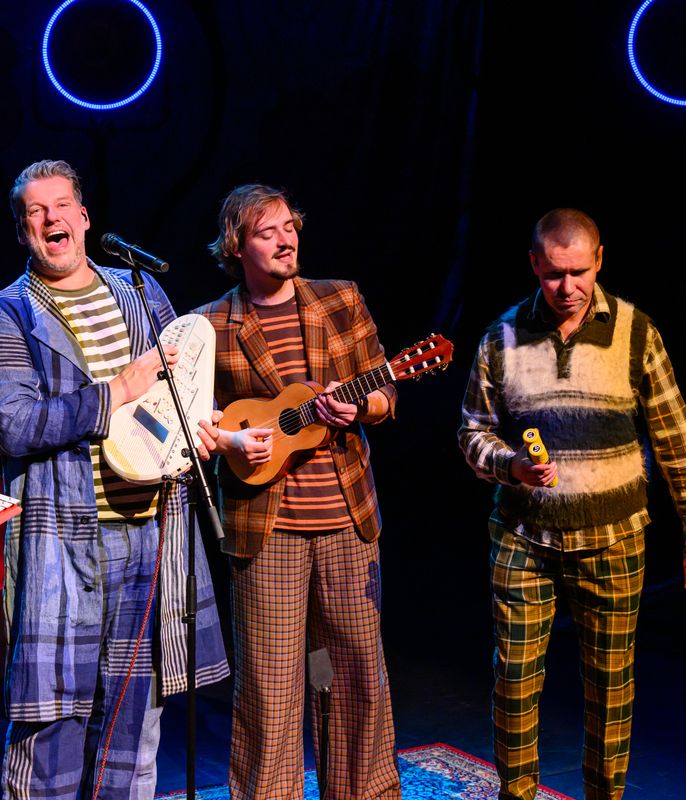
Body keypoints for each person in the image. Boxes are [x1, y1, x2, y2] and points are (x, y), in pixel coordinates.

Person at [0, 159, 229, 799]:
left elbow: (179, 393)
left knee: (134, 728)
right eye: (35, 211)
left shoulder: (140, 293)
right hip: (64, 542)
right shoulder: (5, 314)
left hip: (154, 534)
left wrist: (200, 429)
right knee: (50, 725)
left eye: (62, 205)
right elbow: (15, 425)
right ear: (22, 230)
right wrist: (117, 389)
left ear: (84, 218)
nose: (51, 218)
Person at [458, 208, 686, 800]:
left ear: (599, 260)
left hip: (614, 537)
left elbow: (678, 440)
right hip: (524, 536)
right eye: (554, 273)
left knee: (611, 685)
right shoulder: (500, 338)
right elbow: (472, 433)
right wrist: (511, 465)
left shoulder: (636, 332)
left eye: (578, 272)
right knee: (513, 681)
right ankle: (516, 794)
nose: (567, 287)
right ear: (534, 265)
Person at [193, 184, 400, 799]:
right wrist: (231, 442)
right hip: (268, 530)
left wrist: (363, 406)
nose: (286, 241)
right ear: (237, 246)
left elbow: (387, 392)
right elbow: (194, 421)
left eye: (290, 227)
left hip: (347, 522)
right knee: (271, 688)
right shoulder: (211, 324)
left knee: (351, 675)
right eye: (268, 232)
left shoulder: (340, 298)